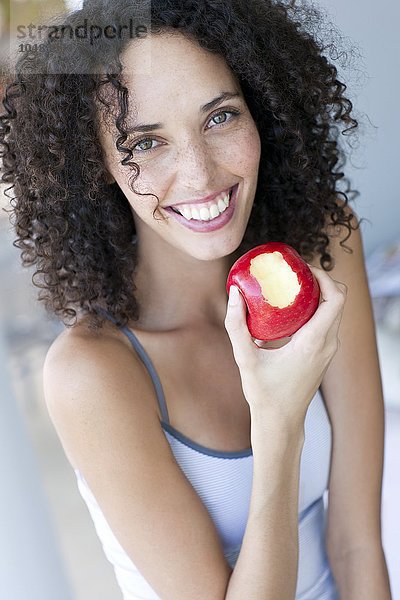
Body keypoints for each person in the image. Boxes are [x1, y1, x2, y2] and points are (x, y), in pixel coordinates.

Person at [0, 0, 392, 598]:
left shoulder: (323, 243)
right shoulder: (95, 372)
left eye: (219, 118)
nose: (201, 176)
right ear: (98, 163)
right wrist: (279, 422)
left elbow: (358, 544)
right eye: (147, 143)